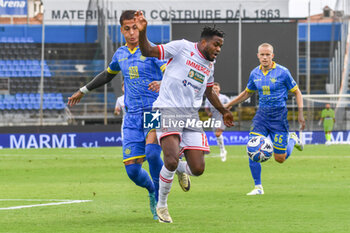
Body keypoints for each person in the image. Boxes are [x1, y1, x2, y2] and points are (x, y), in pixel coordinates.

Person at [67, 10, 190, 221]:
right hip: (132, 117)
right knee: (133, 171)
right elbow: (107, 74)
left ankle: (162, 206)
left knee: (152, 155)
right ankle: (159, 184)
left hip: (154, 111)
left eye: (135, 27)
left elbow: (174, 73)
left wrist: (163, 82)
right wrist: (83, 90)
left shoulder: (152, 51)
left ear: (140, 27)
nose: (132, 32)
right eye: (127, 29)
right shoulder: (120, 54)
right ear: (122, 30)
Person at [134, 11, 234, 223]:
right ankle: (161, 206)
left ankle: (181, 168)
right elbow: (149, 50)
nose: (218, 50)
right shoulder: (182, 47)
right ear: (204, 41)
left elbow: (208, 91)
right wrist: (143, 32)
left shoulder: (210, 65)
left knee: (198, 169)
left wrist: (224, 110)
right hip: (166, 108)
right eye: (216, 45)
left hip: (190, 116)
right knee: (167, 159)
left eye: (221, 47)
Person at [226, 43, 305, 196]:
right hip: (261, 116)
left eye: (267, 54)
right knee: (252, 148)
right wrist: (229, 104)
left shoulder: (283, 72)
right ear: (258, 56)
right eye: (262, 54)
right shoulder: (254, 73)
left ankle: (292, 139)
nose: (264, 57)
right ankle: (258, 187)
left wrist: (300, 113)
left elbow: (297, 92)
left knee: (280, 159)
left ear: (272, 56)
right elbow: (247, 92)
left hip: (279, 118)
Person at [204, 82, 231, 162]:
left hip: (222, 117)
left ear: (219, 89)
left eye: (216, 88)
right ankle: (222, 149)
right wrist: (208, 113)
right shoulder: (209, 98)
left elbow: (230, 104)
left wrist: (225, 111)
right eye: (214, 88)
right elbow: (206, 108)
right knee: (217, 135)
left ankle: (223, 151)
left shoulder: (224, 97)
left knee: (218, 133)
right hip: (214, 117)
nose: (215, 89)